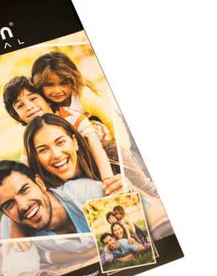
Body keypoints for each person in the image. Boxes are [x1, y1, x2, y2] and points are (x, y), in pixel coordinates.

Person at [31, 52, 158, 197]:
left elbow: (110, 119)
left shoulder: (83, 96)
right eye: (49, 85)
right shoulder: (47, 106)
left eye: (63, 83)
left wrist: (121, 148)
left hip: (104, 140)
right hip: (81, 149)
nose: (57, 90)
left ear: (72, 79)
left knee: (132, 176)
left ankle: (152, 193)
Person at [3, 76, 117, 185]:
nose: (29, 107)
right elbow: (25, 166)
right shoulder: (31, 136)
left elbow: (96, 146)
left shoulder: (72, 117)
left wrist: (107, 179)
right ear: (17, 115)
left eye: (33, 99)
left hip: (101, 157)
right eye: (20, 106)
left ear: (46, 99)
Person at [0, 160, 104, 237]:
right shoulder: (11, 231)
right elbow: (20, 273)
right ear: (4, 213)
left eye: (24, 190)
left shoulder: (86, 194)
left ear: (40, 183)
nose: (23, 205)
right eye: (9, 204)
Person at [24, 113, 122, 195]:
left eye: (60, 142)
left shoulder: (114, 156)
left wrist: (128, 187)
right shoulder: (46, 192)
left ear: (74, 142)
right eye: (43, 150)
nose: (56, 155)